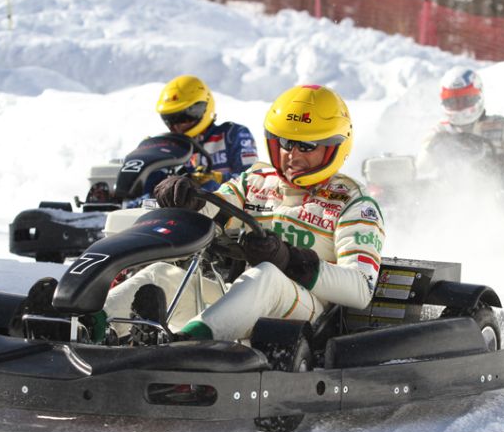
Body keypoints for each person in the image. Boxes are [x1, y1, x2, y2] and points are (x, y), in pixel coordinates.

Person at [103, 84, 385, 343]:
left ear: (335, 147)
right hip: (242, 299)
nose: (291, 155)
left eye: (306, 146)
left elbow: (360, 289)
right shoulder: (256, 180)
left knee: (268, 275)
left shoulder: (354, 203)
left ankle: (187, 344)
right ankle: (93, 326)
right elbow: (216, 203)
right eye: (284, 143)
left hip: (308, 317)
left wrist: (289, 260)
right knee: (159, 274)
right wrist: (184, 196)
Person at [136, 74, 259, 197]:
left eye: (183, 118)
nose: (176, 126)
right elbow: (146, 191)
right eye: (170, 119)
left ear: (202, 109)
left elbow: (253, 181)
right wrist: (146, 156)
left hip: (223, 210)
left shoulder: (233, 134)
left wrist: (218, 178)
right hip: (171, 213)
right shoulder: (165, 146)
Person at [417, 67, 504, 182]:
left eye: (466, 99)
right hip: (448, 193)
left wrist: (500, 163)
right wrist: (433, 147)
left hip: (496, 191)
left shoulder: (502, 126)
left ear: (479, 95)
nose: (459, 106)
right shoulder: (440, 131)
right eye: (453, 101)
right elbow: (421, 167)